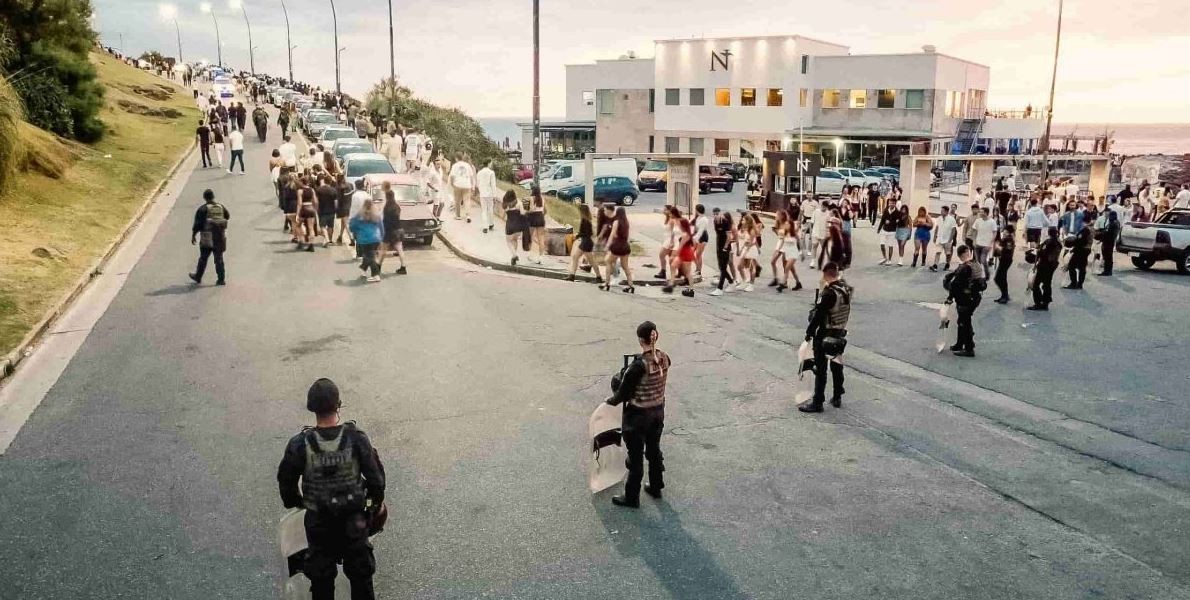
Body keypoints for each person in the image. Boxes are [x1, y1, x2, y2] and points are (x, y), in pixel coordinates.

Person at [276, 378, 385, 600]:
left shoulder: (299, 444)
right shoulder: (357, 439)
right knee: (361, 580)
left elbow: (286, 482)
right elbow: (376, 481)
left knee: (321, 581)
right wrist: (372, 508)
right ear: (339, 404)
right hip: (354, 523)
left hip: (319, 524)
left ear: (312, 408)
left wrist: (297, 502)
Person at [605, 321, 671, 508]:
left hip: (638, 417)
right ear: (655, 336)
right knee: (653, 450)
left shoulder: (638, 366)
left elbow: (622, 394)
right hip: (657, 413)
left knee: (635, 457)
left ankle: (632, 497)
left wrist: (609, 401)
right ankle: (656, 485)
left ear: (640, 340)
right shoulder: (665, 357)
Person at [798, 261, 851, 413]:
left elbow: (818, 316)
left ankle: (818, 401)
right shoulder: (844, 289)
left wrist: (809, 333)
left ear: (825, 274)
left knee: (821, 369)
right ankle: (837, 395)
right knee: (837, 365)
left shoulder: (829, 293)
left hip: (825, 334)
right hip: (839, 332)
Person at [945, 245, 985, 357]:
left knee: (964, 322)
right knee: (962, 320)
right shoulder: (976, 264)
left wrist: (950, 298)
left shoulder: (965, 267)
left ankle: (969, 348)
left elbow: (955, 284)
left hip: (965, 298)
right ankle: (960, 343)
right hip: (975, 297)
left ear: (960, 255)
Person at [189, 189, 229, 286]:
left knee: (203, 258)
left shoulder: (202, 209)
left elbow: (197, 224)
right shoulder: (221, 207)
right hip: (219, 236)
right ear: (213, 196)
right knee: (219, 258)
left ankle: (198, 276)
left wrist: (194, 235)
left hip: (207, 237)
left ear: (205, 198)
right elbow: (227, 216)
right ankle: (221, 279)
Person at [565, 203, 602, 283]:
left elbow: (585, 233)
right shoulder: (587, 220)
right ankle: (572, 275)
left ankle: (599, 277)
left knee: (590, 260)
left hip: (586, 242)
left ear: (582, 211)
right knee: (576, 257)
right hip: (586, 241)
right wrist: (579, 235)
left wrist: (576, 236)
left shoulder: (584, 220)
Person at [350, 200, 385, 282]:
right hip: (376, 238)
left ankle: (376, 275)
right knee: (368, 255)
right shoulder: (376, 215)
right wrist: (382, 237)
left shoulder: (359, 216)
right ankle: (363, 270)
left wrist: (355, 232)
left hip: (364, 239)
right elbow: (381, 227)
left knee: (369, 257)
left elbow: (352, 226)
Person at [603, 206, 634, 293]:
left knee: (608, 261)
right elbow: (628, 237)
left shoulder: (616, 222)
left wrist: (607, 246)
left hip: (617, 246)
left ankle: (606, 283)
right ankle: (630, 285)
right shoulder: (626, 222)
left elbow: (612, 235)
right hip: (625, 246)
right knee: (625, 267)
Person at [663, 216, 696, 297]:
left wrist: (676, 254)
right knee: (673, 265)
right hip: (686, 252)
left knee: (687, 272)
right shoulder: (687, 233)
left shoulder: (685, 235)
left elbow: (680, 246)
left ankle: (691, 289)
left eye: (680, 224)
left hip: (685, 253)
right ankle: (671, 283)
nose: (679, 225)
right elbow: (694, 243)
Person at [379, 188, 408, 275]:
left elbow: (385, 221)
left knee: (383, 250)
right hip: (399, 229)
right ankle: (403, 267)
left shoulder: (386, 208)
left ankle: (378, 266)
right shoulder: (397, 206)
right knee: (400, 249)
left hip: (389, 231)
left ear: (386, 197)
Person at [709, 208, 735, 296]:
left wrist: (725, 247)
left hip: (725, 247)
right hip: (719, 246)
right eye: (714, 214)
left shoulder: (725, 222)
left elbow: (729, 237)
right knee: (721, 267)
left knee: (723, 267)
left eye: (717, 214)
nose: (716, 215)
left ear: (720, 214)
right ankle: (731, 282)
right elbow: (718, 234)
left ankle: (720, 288)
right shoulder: (715, 222)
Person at [1064, 216, 1093, 290]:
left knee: (1072, 266)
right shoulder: (1090, 229)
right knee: (1082, 267)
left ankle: (1074, 283)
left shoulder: (1085, 230)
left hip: (1081, 250)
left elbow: (1081, 241)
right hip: (1085, 250)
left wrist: (1074, 246)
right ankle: (1080, 284)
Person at [929, 205, 958, 272]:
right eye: (941, 211)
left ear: (946, 212)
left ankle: (947, 263)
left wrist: (950, 240)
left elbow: (953, 230)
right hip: (939, 238)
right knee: (938, 252)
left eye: (942, 211)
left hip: (947, 239)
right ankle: (935, 265)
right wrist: (935, 236)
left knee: (947, 254)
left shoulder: (951, 219)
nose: (941, 212)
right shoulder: (939, 218)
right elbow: (937, 227)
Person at [503, 190, 527, 266]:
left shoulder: (505, 205)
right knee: (515, 240)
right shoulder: (519, 203)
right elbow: (523, 213)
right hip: (518, 225)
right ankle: (514, 256)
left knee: (509, 241)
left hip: (510, 225)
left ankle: (514, 255)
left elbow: (504, 216)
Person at [448, 152, 475, 222]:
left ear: (456, 158)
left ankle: (458, 215)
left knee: (457, 200)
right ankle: (468, 215)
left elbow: (452, 176)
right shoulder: (467, 165)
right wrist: (472, 186)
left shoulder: (455, 165)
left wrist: (452, 184)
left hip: (458, 184)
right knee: (467, 200)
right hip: (467, 184)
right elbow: (472, 176)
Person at [992, 224, 1015, 304]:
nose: (1003, 231)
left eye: (1005, 230)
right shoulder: (1006, 238)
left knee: (998, 278)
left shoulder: (1008, 239)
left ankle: (1004, 295)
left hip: (1006, 260)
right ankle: (1004, 295)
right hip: (1004, 260)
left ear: (1007, 231)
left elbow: (1007, 249)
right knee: (1002, 277)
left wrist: (998, 247)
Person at [316, 177, 339, 248]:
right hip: (332, 211)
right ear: (330, 182)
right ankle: (329, 239)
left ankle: (326, 239)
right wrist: (336, 209)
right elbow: (336, 202)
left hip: (322, 210)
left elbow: (316, 201)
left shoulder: (319, 190)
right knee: (330, 226)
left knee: (322, 226)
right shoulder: (334, 190)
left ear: (324, 181)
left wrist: (317, 209)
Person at [1097, 209, 1121, 276]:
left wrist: (1102, 235)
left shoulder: (1114, 223)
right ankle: (1107, 270)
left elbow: (1109, 233)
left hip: (1108, 241)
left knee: (1107, 257)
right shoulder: (1115, 222)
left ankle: (1107, 271)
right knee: (1108, 257)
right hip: (1109, 241)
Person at [527, 187, 547, 264]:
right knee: (541, 238)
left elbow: (531, 209)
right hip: (540, 217)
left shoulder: (531, 198)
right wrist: (542, 216)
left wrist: (527, 211)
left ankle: (529, 255)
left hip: (532, 217)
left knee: (530, 236)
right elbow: (545, 210)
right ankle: (541, 257)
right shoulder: (542, 198)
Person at [692, 204, 710, 276]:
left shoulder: (704, 219)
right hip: (697, 235)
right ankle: (697, 268)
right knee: (692, 252)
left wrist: (695, 239)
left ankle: (699, 270)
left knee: (698, 254)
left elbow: (701, 231)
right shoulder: (698, 217)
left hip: (702, 237)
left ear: (697, 210)